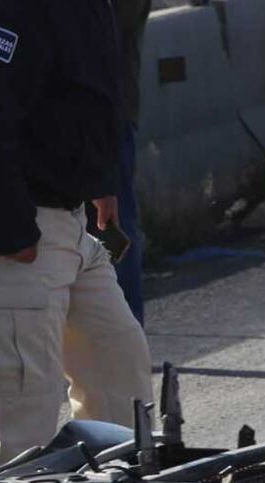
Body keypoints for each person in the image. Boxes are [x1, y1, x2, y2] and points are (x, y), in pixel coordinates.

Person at [0, 0, 154, 477]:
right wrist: (11, 232)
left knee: (118, 374)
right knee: (22, 417)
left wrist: (100, 180)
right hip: (12, 219)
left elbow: (85, 91)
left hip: (66, 218)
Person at [113, 0, 152, 325]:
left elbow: (101, 32)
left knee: (115, 223)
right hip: (81, 116)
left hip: (110, 114)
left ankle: (129, 333)